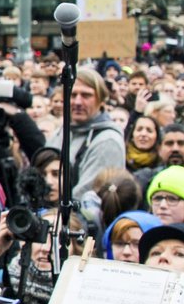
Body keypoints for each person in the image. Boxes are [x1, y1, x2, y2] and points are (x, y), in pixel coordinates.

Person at [44, 68, 124, 214]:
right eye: (73, 95)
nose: (78, 102)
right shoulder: (61, 132)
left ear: (101, 100)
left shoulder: (107, 141)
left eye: (86, 95)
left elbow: (85, 194)